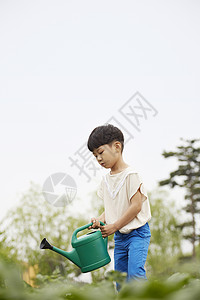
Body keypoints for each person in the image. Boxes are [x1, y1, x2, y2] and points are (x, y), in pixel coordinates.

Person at [87, 124, 151, 289]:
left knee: (135, 275)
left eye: (100, 152)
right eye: (95, 156)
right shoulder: (106, 181)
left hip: (137, 234)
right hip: (120, 238)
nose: (98, 159)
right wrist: (100, 220)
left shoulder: (131, 175)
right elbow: (111, 209)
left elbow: (136, 206)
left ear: (117, 146)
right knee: (120, 281)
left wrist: (114, 226)